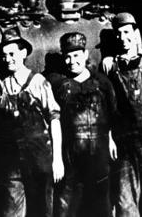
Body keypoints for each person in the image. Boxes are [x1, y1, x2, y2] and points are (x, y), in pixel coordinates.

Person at [0, 30, 63, 217]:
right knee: (11, 211)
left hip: (39, 158)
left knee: (42, 210)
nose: (8, 59)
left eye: (12, 54)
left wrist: (57, 159)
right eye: (4, 55)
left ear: (23, 53)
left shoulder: (38, 82)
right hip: (12, 162)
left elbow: (54, 119)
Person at [100, 12, 142, 217]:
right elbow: (106, 104)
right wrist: (109, 136)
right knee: (125, 199)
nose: (122, 38)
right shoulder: (110, 65)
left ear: (136, 33)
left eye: (127, 32)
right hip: (124, 138)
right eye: (118, 34)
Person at [50, 32, 117, 217]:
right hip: (70, 156)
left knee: (100, 206)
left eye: (76, 55)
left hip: (99, 155)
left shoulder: (102, 83)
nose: (72, 61)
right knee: (67, 207)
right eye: (68, 57)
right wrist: (58, 159)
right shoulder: (57, 84)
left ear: (86, 54)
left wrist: (111, 139)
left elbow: (112, 115)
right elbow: (52, 119)